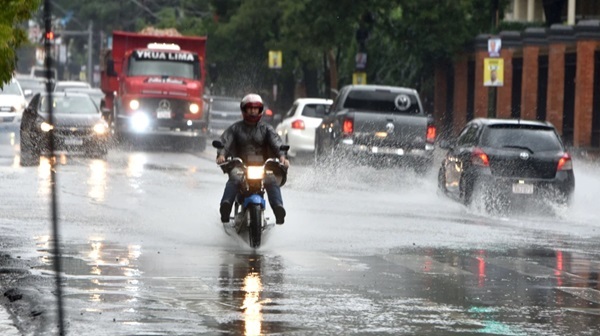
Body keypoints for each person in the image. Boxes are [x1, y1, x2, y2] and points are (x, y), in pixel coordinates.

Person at [216, 93, 290, 224]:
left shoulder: (267, 129)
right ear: (244, 110)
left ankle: (278, 209)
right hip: (240, 166)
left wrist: (282, 157)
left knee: (271, 178)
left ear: (260, 110)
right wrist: (222, 155)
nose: (253, 112)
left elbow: (277, 143)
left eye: (256, 109)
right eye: (250, 109)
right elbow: (226, 142)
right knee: (235, 177)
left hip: (262, 167)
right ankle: (225, 206)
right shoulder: (235, 128)